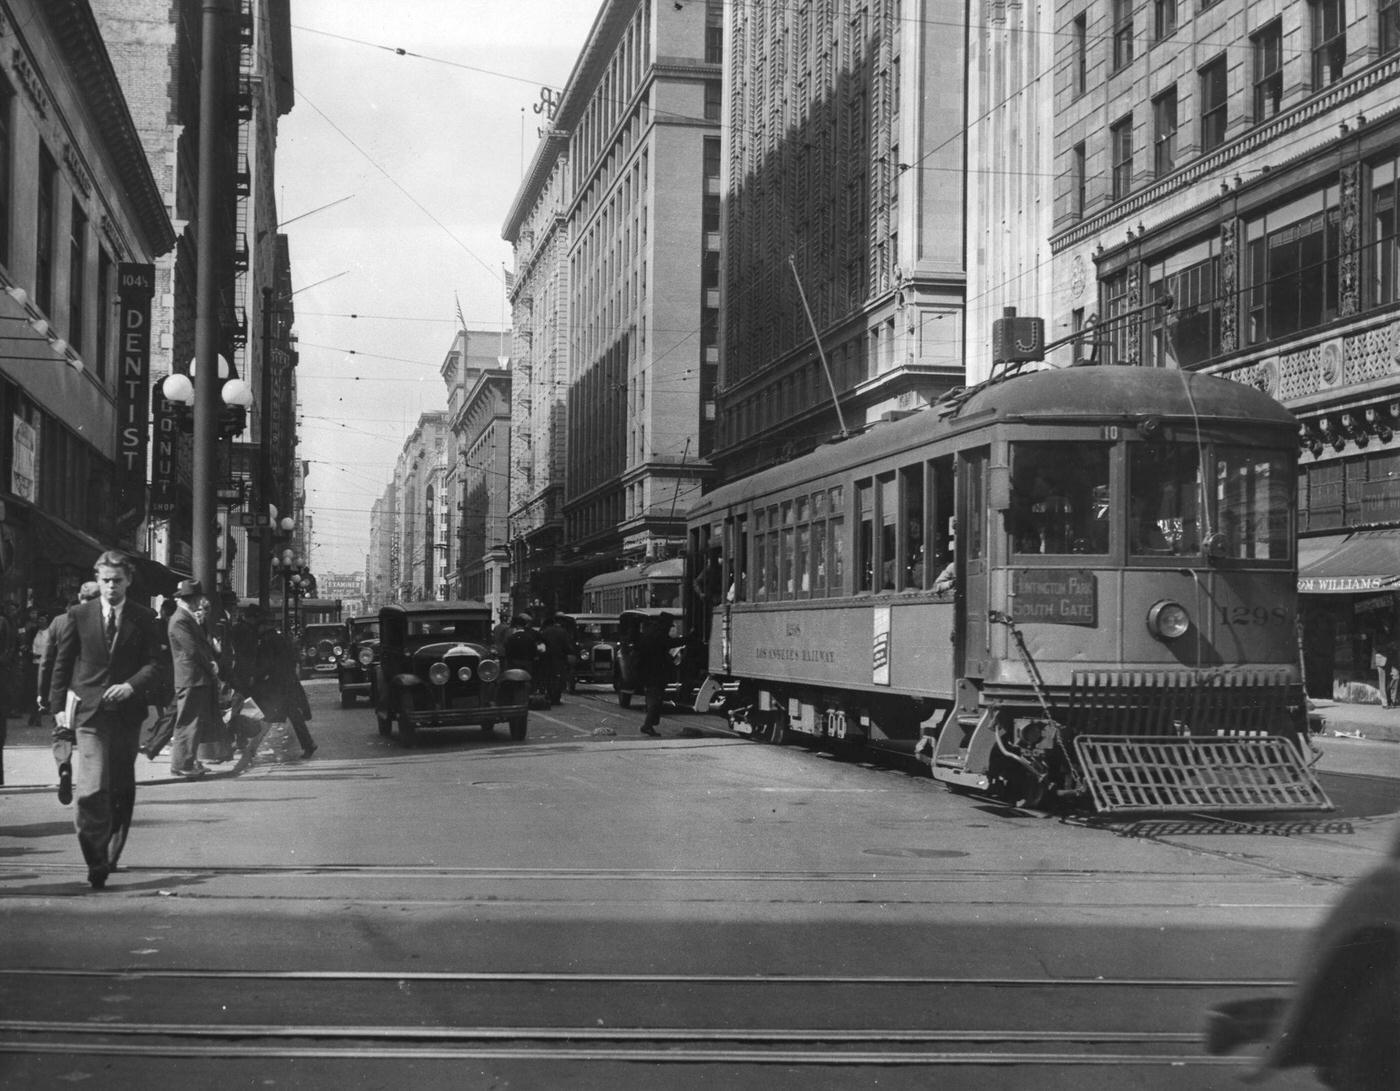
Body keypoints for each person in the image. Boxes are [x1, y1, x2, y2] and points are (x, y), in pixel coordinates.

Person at [49, 550, 162, 890]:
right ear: (97, 581)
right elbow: (62, 662)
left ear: (128, 581)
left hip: (126, 715)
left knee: (121, 787)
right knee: (92, 787)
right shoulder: (78, 615)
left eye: (118, 580)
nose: (111, 587)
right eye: (106, 580)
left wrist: (131, 686)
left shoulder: (143, 618)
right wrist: (57, 707)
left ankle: (111, 852)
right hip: (89, 714)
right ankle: (95, 857)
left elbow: (155, 665)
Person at [167, 580, 221, 778]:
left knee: (192, 722)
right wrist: (211, 664)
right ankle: (182, 764)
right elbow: (192, 649)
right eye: (198, 598)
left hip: (193, 677)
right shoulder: (181, 619)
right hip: (191, 677)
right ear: (192, 599)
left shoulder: (184, 617)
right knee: (188, 721)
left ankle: (187, 762)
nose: (200, 601)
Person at [247, 609, 316, 759]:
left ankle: (251, 750)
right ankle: (308, 744)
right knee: (293, 716)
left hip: (276, 686)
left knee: (268, 716)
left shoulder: (266, 641)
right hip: (287, 683)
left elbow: (266, 664)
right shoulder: (281, 639)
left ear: (263, 627)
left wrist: (256, 677)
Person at [38, 583, 101, 723]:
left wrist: (42, 692)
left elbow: (46, 661)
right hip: (94, 692)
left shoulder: (59, 621)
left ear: (80, 597)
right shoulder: (107, 620)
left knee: (62, 733)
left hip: (64, 687)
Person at [139, 599, 179, 760]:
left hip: (162, 671)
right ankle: (155, 741)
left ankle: (152, 740)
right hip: (167, 671)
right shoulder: (165, 626)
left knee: (165, 709)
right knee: (168, 708)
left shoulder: (159, 626)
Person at [636, 612, 683, 738]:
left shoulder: (651, 633)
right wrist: (689, 639)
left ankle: (650, 724)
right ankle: (648, 725)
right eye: (669, 626)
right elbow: (669, 644)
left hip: (649, 672)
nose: (669, 628)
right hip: (655, 673)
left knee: (654, 698)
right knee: (655, 700)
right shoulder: (658, 635)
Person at [538, 615, 574, 704]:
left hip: (547, 658)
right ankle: (556, 697)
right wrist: (569, 652)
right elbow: (567, 646)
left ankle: (549, 694)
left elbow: (540, 645)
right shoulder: (563, 632)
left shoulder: (545, 632)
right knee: (559, 678)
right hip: (560, 659)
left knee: (548, 677)